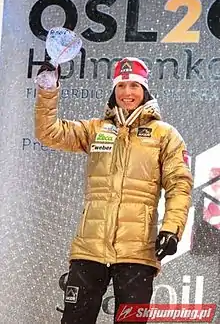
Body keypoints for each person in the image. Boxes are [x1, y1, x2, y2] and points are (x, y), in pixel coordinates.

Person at [35, 57, 193, 324]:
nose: (127, 93)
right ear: (114, 90)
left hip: (137, 251)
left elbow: (179, 184)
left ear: (145, 89)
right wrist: (48, 90)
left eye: (134, 85)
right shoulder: (96, 130)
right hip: (89, 248)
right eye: (121, 85)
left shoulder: (164, 135)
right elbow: (48, 132)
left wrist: (172, 228)